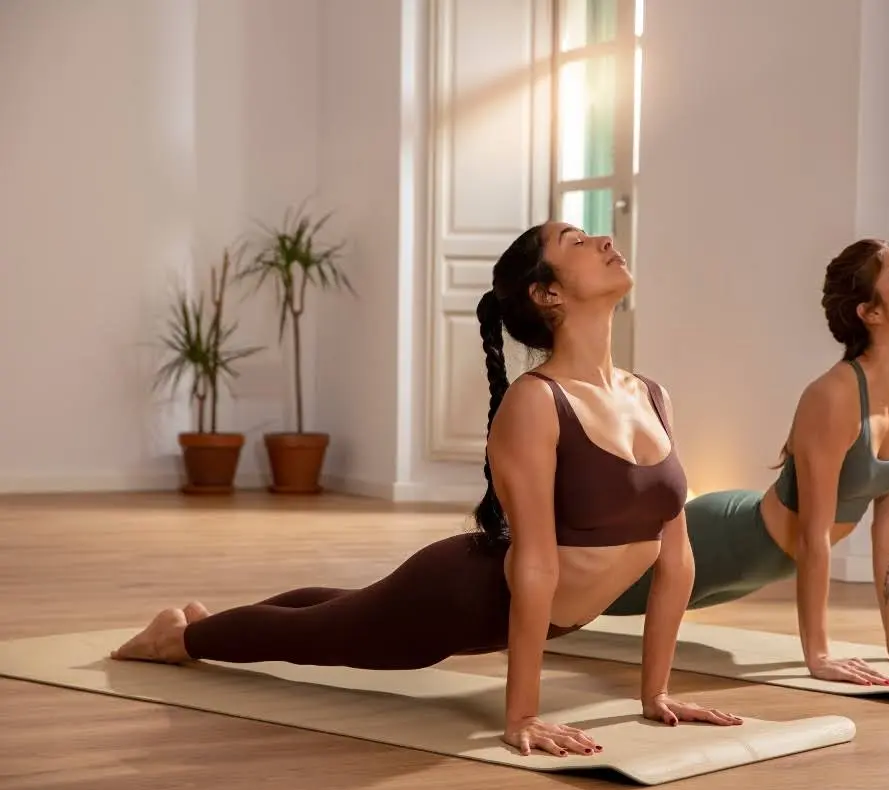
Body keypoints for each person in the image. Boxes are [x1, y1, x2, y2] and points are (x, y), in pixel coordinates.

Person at [110, 221, 742, 757]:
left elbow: (676, 558)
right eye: (576, 241)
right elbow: (536, 561)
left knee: (343, 608)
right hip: (458, 598)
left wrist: (656, 693)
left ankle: (208, 620)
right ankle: (177, 638)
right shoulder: (536, 402)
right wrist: (522, 715)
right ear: (546, 292)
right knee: (318, 634)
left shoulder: (651, 394)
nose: (603, 240)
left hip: (536, 615)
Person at [603, 238, 889, 686]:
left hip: (762, 565)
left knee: (595, 601)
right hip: (727, 541)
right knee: (588, 600)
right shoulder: (834, 396)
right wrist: (818, 655)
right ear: (870, 313)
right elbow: (814, 535)